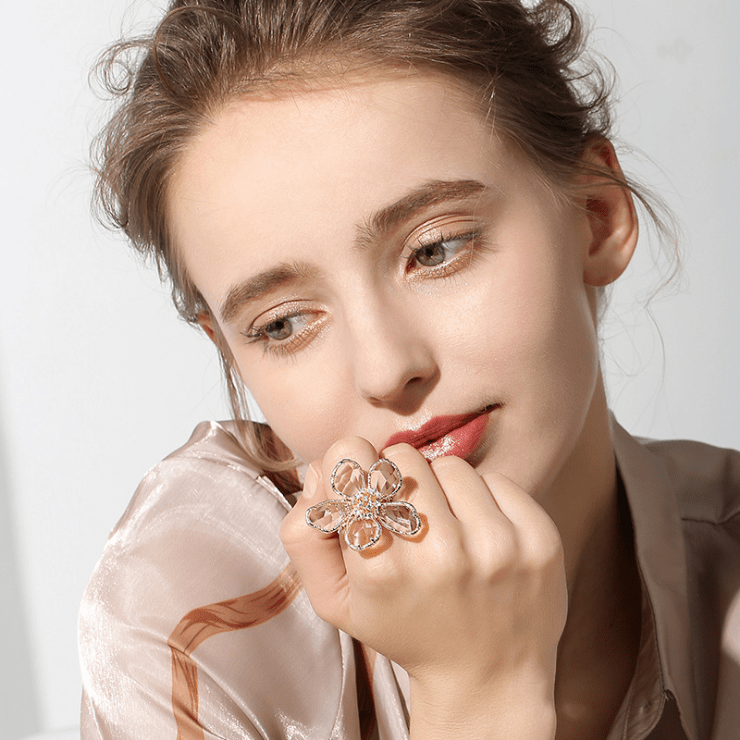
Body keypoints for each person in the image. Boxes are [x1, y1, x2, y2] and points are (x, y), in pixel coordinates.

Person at [78, 0, 740, 738]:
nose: (387, 369)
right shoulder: (194, 617)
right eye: (283, 323)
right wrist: (478, 690)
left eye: (435, 250)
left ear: (597, 215)